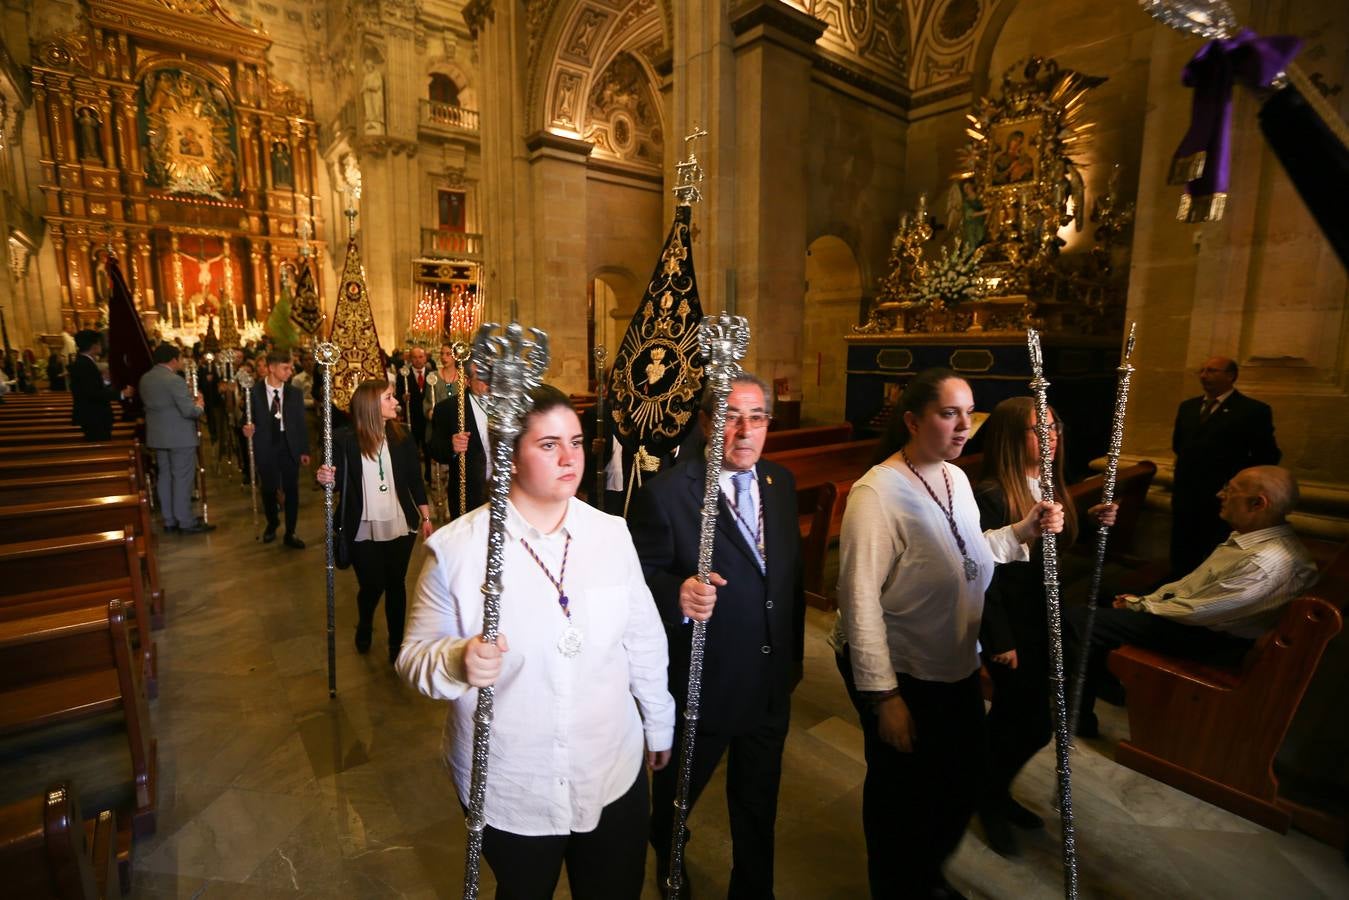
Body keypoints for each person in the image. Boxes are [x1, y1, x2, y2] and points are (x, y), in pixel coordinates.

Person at [398, 385, 674, 899]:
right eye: (549, 445)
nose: (570, 458)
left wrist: (658, 720)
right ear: (509, 453)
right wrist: (457, 660)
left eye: (574, 441)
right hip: (513, 780)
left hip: (611, 767)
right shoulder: (457, 551)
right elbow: (413, 657)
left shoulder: (611, 534)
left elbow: (642, 636)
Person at [831, 369, 1063, 899]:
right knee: (900, 789)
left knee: (960, 776)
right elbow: (859, 601)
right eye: (948, 413)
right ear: (913, 421)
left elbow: (968, 551)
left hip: (952, 658)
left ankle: (924, 872)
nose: (964, 426)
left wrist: (1022, 531)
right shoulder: (877, 494)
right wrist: (884, 696)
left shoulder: (954, 478)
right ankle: (898, 886)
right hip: (900, 666)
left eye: (969, 413)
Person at [628, 373, 803, 898]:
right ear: (707, 424)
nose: (745, 431)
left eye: (757, 418)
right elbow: (637, 581)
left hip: (770, 685)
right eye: (731, 417)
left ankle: (753, 889)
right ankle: (668, 856)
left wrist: (791, 664)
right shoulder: (668, 495)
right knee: (680, 794)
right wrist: (677, 593)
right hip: (704, 682)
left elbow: (787, 581)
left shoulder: (781, 482)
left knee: (757, 804)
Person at [1070, 465, 1316, 737]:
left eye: (1230, 490)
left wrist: (1139, 604)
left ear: (1258, 503)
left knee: (1078, 620)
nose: (1219, 494)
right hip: (1206, 625)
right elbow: (1194, 587)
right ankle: (1109, 681)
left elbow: (1199, 610)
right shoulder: (1253, 536)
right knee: (1108, 593)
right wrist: (1144, 600)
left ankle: (1078, 717)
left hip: (1210, 642)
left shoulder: (1265, 562)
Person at [973, 397, 1115, 856]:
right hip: (1012, 626)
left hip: (1043, 619)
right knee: (1024, 722)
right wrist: (998, 640)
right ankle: (986, 800)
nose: (1050, 436)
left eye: (1054, 427)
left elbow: (1054, 559)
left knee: (1031, 721)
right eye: (1039, 429)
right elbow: (982, 572)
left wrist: (1092, 524)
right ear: (1013, 439)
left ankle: (991, 790)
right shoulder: (992, 495)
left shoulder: (1051, 485)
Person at [317, 380, 433, 664]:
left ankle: (396, 644)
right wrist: (324, 479)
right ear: (371, 406)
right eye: (389, 398)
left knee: (396, 583)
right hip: (361, 524)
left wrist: (426, 516)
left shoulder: (402, 436)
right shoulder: (343, 441)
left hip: (399, 523)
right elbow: (333, 481)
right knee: (372, 585)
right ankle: (365, 621)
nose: (396, 402)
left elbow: (415, 480)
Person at [1171, 356, 1280, 576]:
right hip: (1186, 494)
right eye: (1201, 370)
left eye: (1212, 371)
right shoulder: (1188, 407)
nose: (1204, 376)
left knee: (1214, 553)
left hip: (1222, 496)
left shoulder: (1252, 411)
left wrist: (1237, 484)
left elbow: (1267, 455)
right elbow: (1179, 445)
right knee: (1182, 551)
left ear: (1230, 376)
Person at [139, 344, 213, 534]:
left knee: (165, 476)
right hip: (179, 436)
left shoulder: (145, 378)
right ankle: (185, 521)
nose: (181, 361)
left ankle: (169, 519)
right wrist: (200, 404)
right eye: (179, 358)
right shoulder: (174, 380)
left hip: (158, 436)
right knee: (182, 477)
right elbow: (189, 411)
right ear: (173, 360)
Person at [242, 351, 310, 547]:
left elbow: (299, 423)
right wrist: (247, 427)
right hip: (266, 444)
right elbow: (246, 418)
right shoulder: (254, 393)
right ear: (271, 368)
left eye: (290, 368)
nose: (290, 372)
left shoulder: (294, 393)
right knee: (269, 488)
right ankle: (272, 522)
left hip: (289, 444)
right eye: (285, 368)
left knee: (291, 489)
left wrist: (304, 450)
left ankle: (291, 531)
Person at [428, 361, 489, 518]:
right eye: (482, 376)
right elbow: (435, 449)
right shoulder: (448, 409)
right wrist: (452, 447)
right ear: (467, 380)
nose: (490, 380)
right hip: (468, 492)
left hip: (505, 491)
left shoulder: (508, 405)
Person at [69, 329, 133, 441]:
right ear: (94, 345)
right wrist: (122, 394)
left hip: (94, 416)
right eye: (99, 343)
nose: (101, 346)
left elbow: (90, 387)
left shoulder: (84, 362)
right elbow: (93, 393)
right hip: (94, 417)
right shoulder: (84, 365)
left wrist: (104, 380)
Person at [421, 342, 459, 442]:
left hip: (456, 427)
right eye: (441, 354)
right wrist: (430, 413)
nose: (443, 357)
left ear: (456, 356)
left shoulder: (463, 378)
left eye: (448, 354)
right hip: (437, 427)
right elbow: (427, 401)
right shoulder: (433, 377)